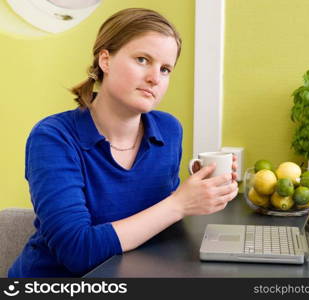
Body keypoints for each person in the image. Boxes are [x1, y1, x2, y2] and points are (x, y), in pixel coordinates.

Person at [8, 8, 238, 277]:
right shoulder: (53, 137)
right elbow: (77, 252)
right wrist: (179, 203)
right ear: (105, 60)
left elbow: (156, 217)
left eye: (165, 69)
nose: (155, 77)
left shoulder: (168, 130)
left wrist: (199, 190)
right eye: (142, 60)